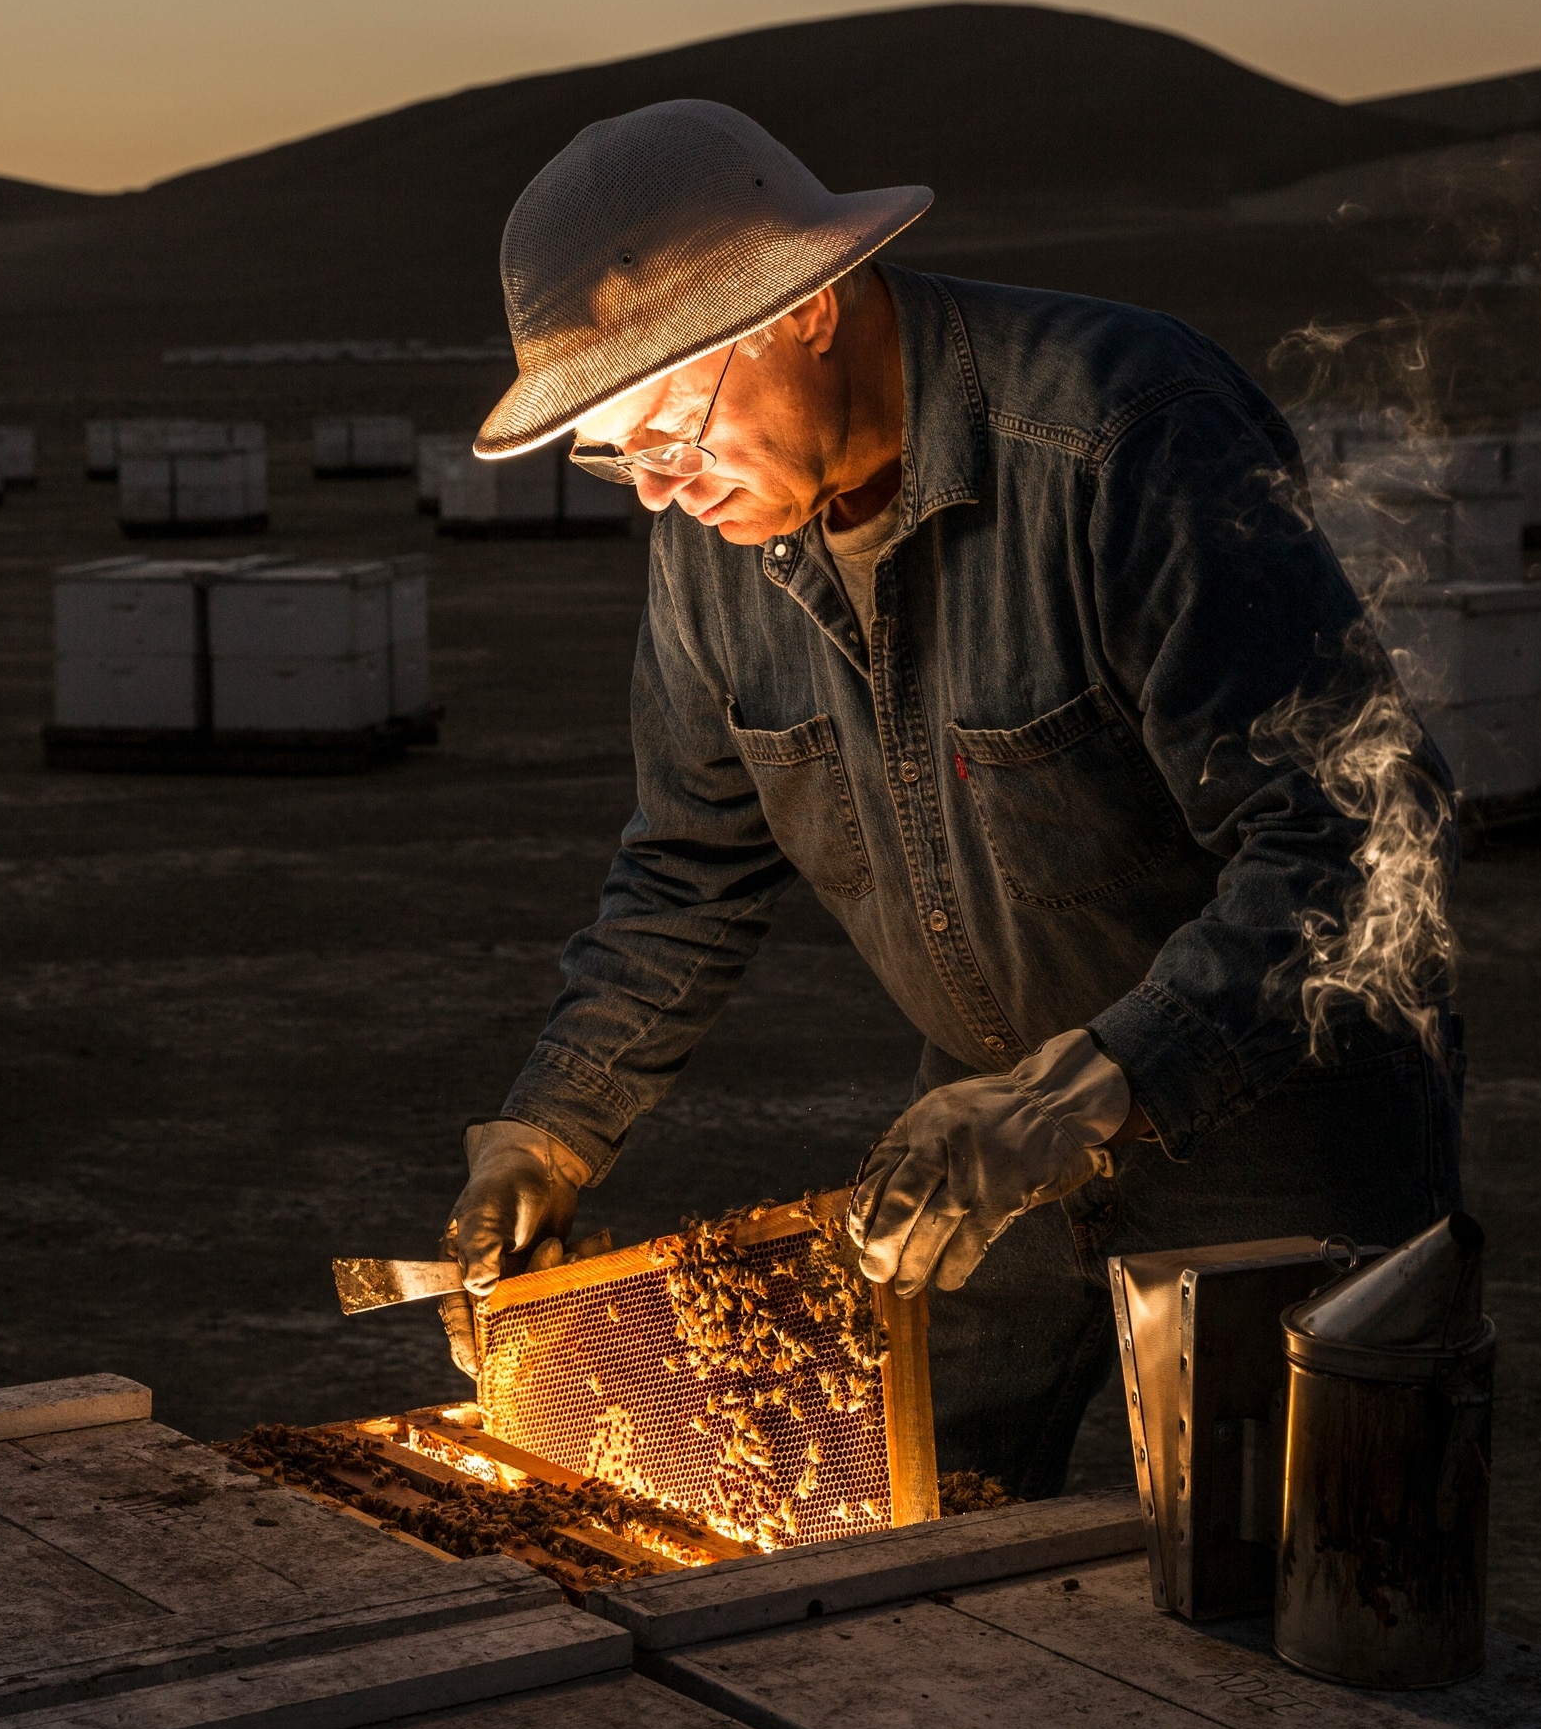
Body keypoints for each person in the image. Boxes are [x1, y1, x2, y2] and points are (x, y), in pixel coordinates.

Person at [442, 99, 1461, 1497]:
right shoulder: (717, 546)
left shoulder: (1122, 433)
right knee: (916, 1544)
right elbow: (686, 868)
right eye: (619, 458)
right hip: (981, 1134)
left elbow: (1354, 833)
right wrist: (548, 1127)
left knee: (1290, 1577)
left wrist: (1094, 1084)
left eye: (673, 425)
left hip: (1281, 1126)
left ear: (808, 306)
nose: (665, 494)